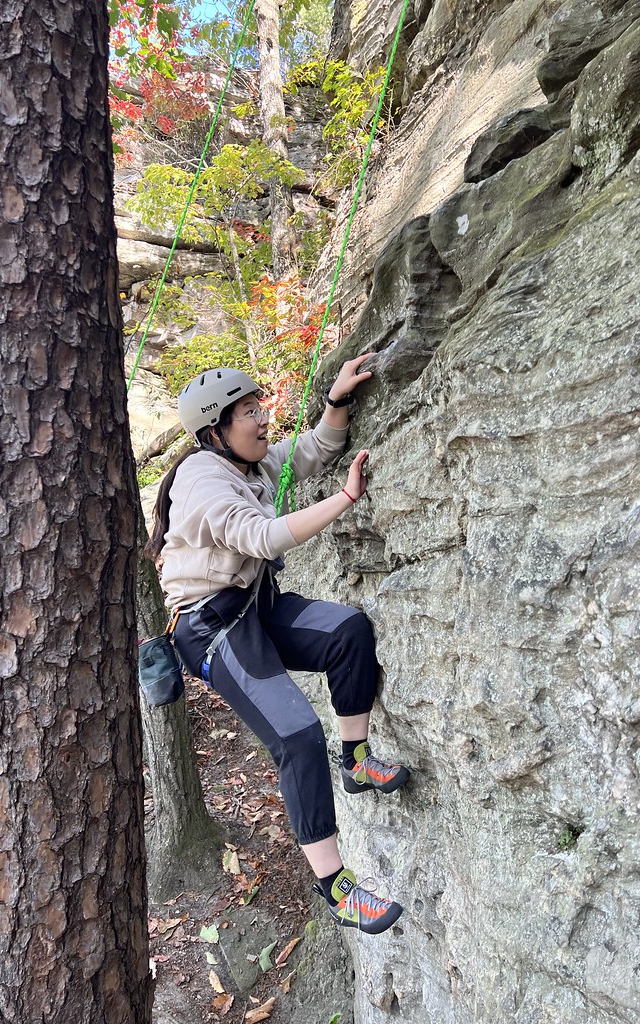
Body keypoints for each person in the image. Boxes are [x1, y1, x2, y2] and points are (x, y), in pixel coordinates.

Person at [146, 357, 411, 934]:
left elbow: (313, 448)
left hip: (255, 607)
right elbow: (262, 537)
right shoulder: (202, 480)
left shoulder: (247, 460)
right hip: (213, 628)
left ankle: (358, 761)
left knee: (348, 631)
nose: (262, 419)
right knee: (296, 734)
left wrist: (337, 401)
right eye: (249, 412)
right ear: (216, 430)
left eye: (260, 407)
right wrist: (345, 499)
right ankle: (338, 890)